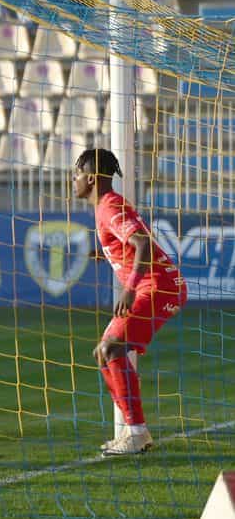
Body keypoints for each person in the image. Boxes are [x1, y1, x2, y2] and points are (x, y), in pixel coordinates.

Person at [72, 148, 187, 455]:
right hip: (157, 285)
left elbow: (143, 245)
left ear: (92, 178)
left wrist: (129, 289)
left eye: (77, 174)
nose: (74, 180)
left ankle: (136, 433)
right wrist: (102, 254)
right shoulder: (108, 206)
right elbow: (129, 245)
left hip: (158, 288)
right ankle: (134, 430)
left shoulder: (109, 206)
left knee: (112, 348)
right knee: (104, 351)